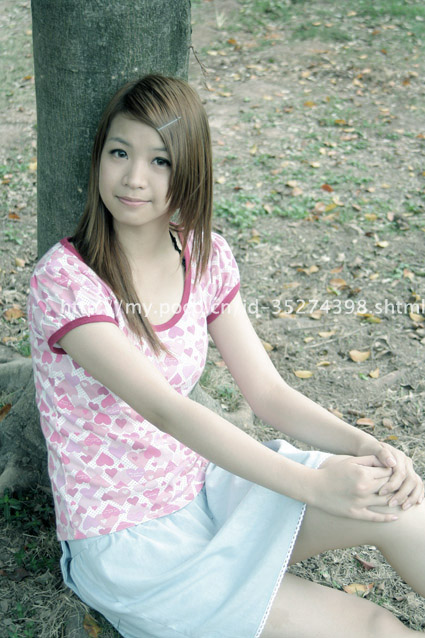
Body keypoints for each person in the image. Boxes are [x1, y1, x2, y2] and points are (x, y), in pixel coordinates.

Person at [27, 74, 425, 638]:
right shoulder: (65, 283)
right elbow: (166, 409)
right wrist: (314, 485)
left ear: (189, 170)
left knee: (402, 504)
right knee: (376, 629)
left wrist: (367, 446)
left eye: (160, 161)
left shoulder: (204, 255)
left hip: (211, 490)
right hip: (133, 544)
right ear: (99, 158)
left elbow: (268, 394)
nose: (134, 178)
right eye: (119, 153)